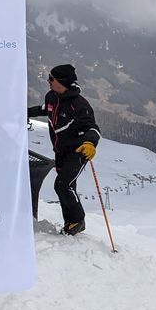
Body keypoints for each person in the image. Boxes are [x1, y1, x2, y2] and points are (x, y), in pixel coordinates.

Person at [28, 64, 101, 235]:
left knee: (62, 185)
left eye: (51, 78)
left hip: (78, 152)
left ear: (62, 81)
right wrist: (25, 112)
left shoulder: (79, 104)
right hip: (60, 151)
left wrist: (90, 144)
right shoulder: (52, 97)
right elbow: (46, 109)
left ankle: (78, 221)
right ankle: (71, 222)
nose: (48, 80)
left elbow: (92, 127)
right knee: (67, 186)